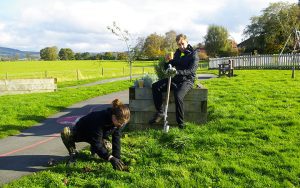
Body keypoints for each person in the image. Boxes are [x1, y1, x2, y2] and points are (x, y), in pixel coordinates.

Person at [61, 99, 130, 171]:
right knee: (66, 132)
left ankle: (94, 151)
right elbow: (97, 143)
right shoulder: (99, 119)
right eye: (119, 123)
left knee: (108, 147)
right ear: (113, 116)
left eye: (123, 124)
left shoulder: (120, 123)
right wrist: (110, 158)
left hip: (96, 135)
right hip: (82, 133)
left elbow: (116, 139)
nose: (121, 125)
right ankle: (73, 154)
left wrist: (117, 158)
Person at [149, 34, 199, 129]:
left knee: (178, 96)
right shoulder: (177, 54)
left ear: (186, 42)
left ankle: (180, 124)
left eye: (182, 44)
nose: (181, 46)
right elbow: (167, 67)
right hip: (175, 79)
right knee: (155, 86)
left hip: (187, 80)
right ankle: (160, 112)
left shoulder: (194, 54)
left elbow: (191, 70)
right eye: (179, 45)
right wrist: (167, 62)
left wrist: (177, 71)